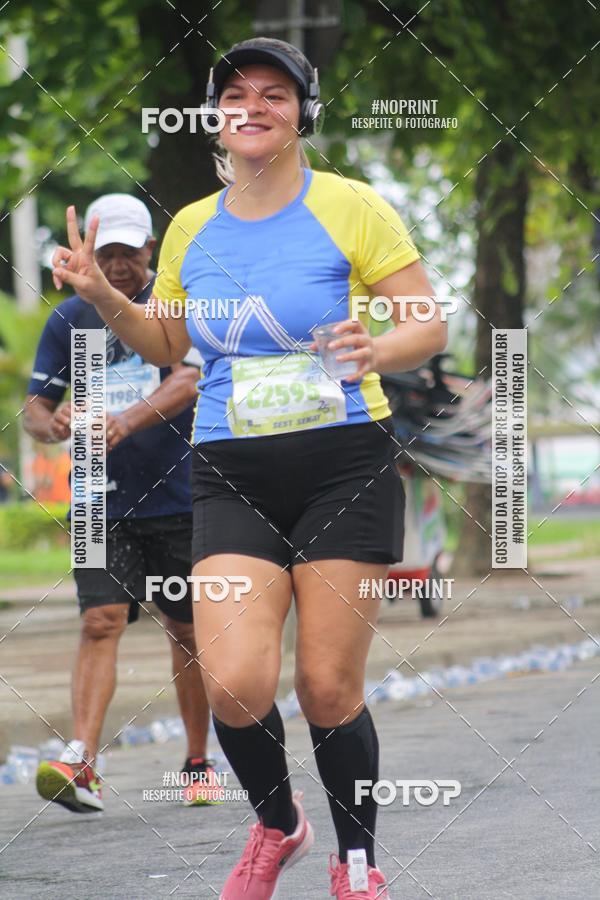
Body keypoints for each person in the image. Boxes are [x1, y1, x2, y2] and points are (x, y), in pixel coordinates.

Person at [49, 39, 447, 897]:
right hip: (232, 471)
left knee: (328, 684)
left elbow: (429, 324)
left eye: (275, 92)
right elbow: (169, 344)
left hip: (345, 463)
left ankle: (357, 863)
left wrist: (379, 343)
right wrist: (104, 295)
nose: (254, 105)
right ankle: (279, 825)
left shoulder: (354, 207)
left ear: (303, 112)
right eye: (236, 94)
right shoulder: (193, 224)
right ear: (215, 116)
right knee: (233, 684)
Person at [25, 194, 218, 813]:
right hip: (95, 495)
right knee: (98, 621)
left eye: (127, 255)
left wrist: (125, 423)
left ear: (150, 250)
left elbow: (190, 378)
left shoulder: (173, 304)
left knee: (186, 628)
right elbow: (35, 406)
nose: (116, 267)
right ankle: (81, 760)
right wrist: (49, 425)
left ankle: (197, 763)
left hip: (178, 493)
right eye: (104, 255)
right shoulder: (70, 318)